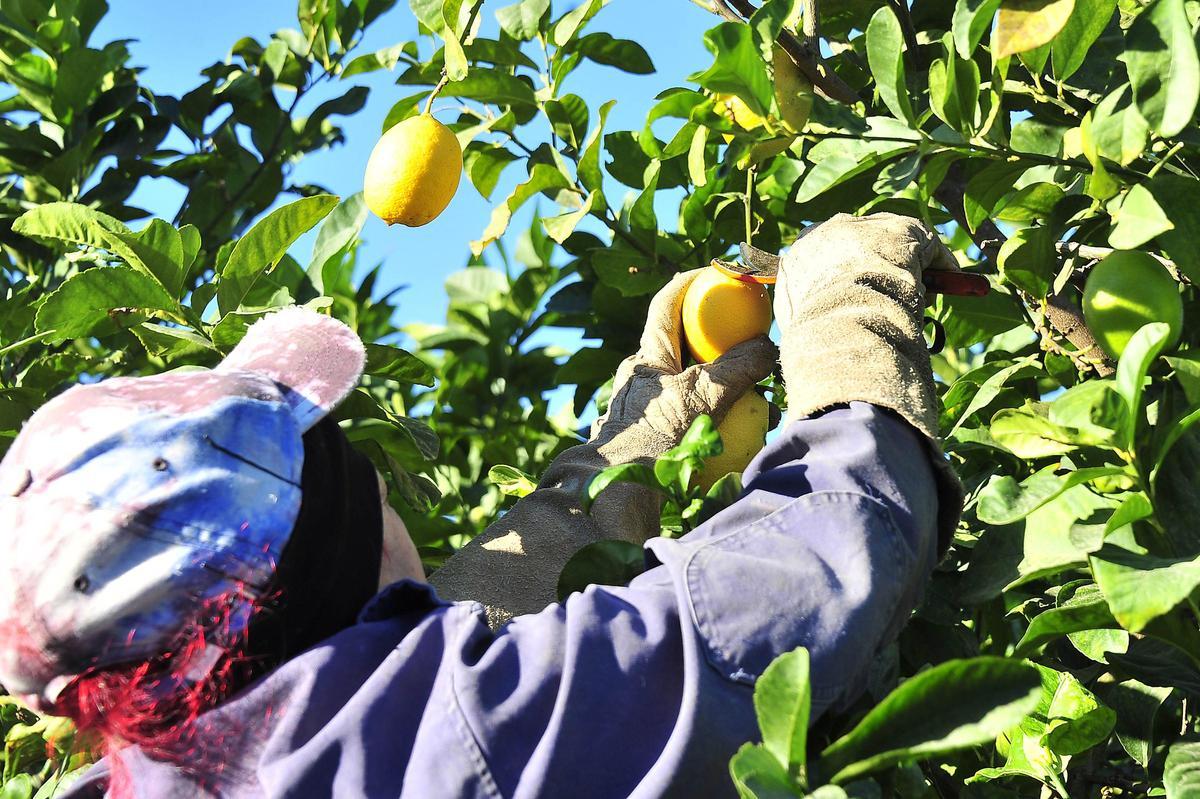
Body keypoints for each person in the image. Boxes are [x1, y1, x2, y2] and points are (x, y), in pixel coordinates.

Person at [0, 213, 962, 798]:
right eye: (341, 457)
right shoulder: (480, 739)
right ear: (331, 541)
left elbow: (443, 653)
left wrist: (635, 437)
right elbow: (834, 544)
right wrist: (847, 302)